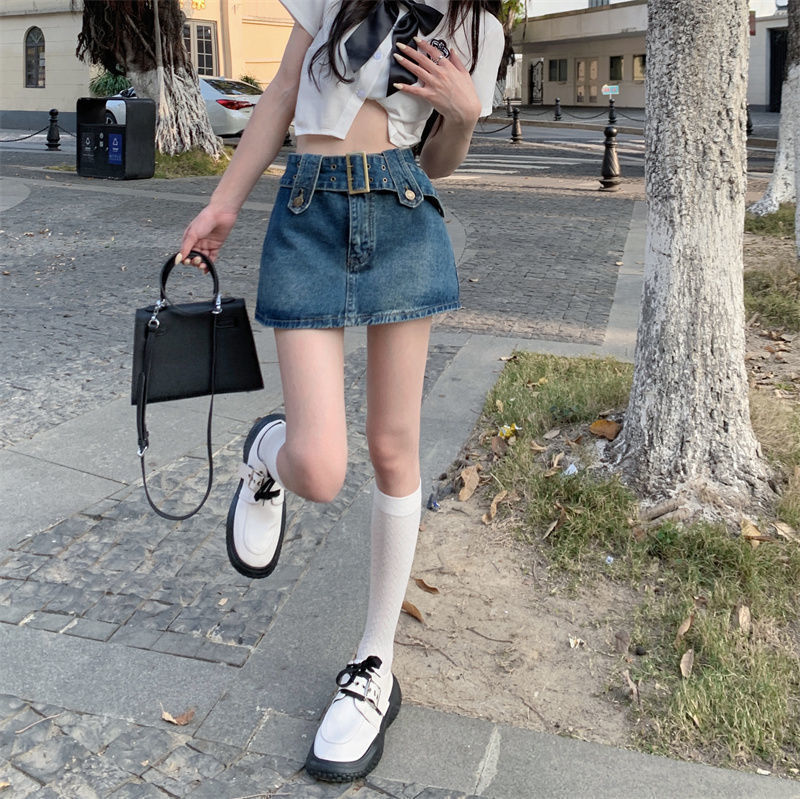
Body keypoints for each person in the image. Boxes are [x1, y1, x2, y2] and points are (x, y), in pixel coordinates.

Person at [178, 0, 504, 783]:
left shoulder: (478, 30)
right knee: (319, 469)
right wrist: (223, 203)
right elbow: (283, 91)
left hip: (402, 210)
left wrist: (463, 114)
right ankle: (268, 454)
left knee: (393, 447)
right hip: (308, 209)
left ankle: (373, 665)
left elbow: (439, 162)